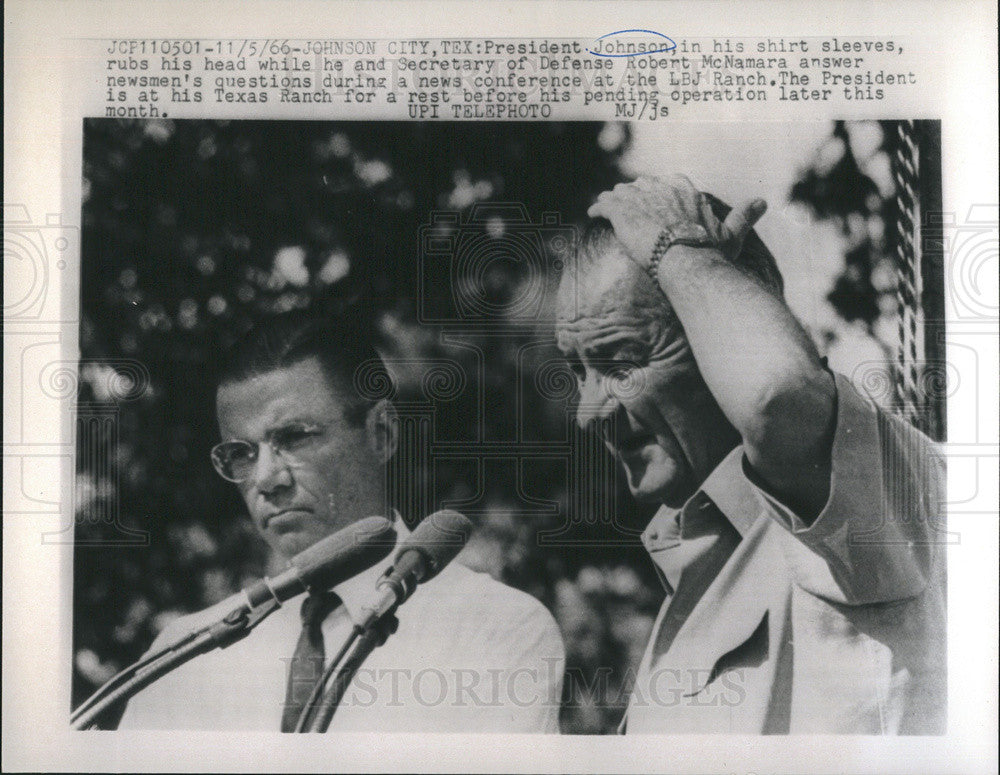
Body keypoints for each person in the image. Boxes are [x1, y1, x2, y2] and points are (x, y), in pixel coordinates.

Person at [555, 175, 945, 734]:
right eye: (578, 373)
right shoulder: (693, 565)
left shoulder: (867, 489)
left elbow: (777, 395)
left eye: (621, 363)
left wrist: (682, 252)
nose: (588, 414)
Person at [118, 309, 564, 732]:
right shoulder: (186, 655)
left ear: (381, 433)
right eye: (240, 453)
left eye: (294, 437)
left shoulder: (493, 630)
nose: (266, 478)